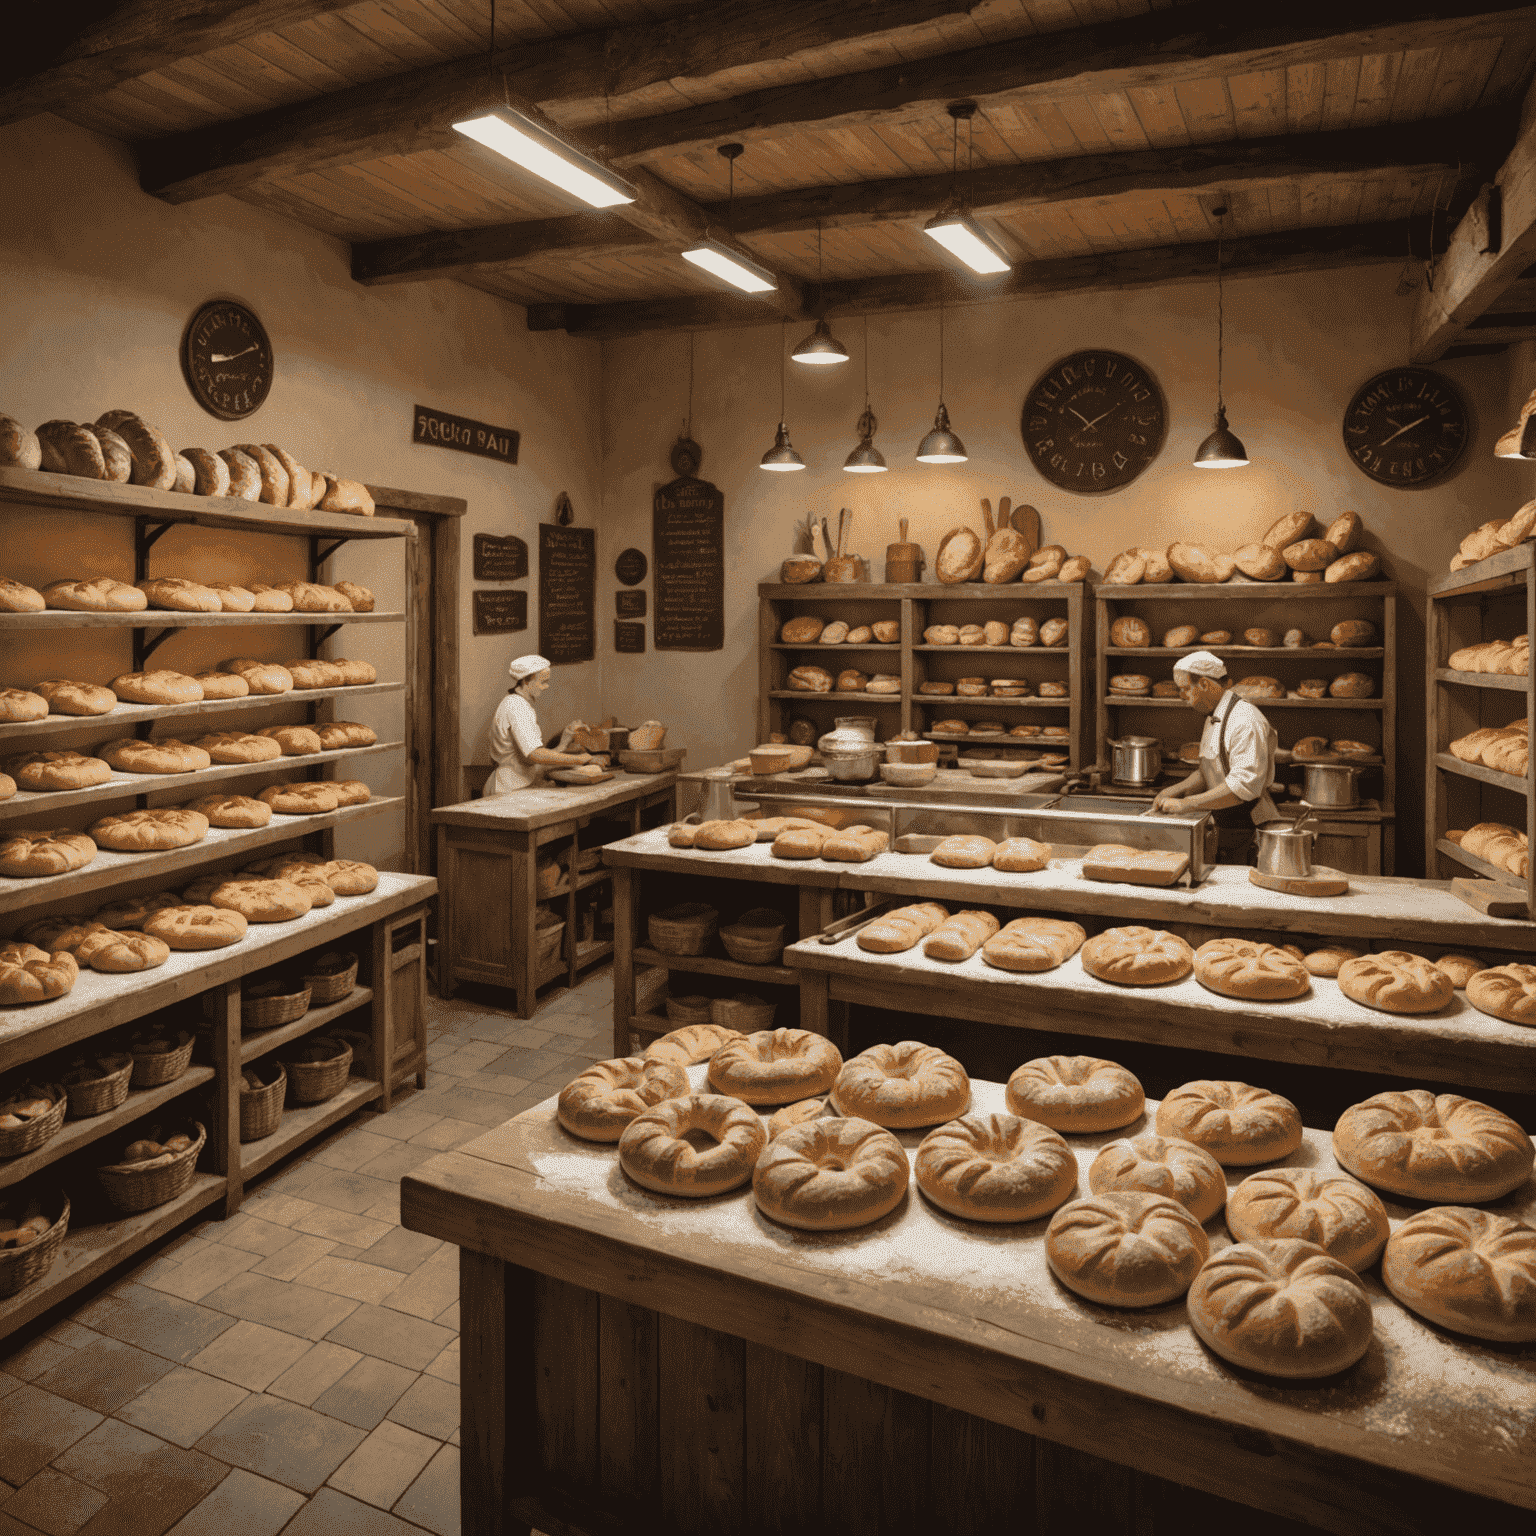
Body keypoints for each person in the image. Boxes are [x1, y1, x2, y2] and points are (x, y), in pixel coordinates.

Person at [1149, 650, 1279, 863]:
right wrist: (1176, 790)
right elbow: (1209, 769)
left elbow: (1243, 787)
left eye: (1185, 689)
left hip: (1248, 828)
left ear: (1205, 685)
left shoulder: (1244, 720)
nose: (1183, 697)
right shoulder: (1214, 717)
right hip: (1224, 823)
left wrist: (1188, 803)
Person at [486, 653, 593, 795]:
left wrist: (563, 743)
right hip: (510, 788)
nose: (546, 686)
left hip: (517, 784)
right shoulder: (517, 706)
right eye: (543, 682)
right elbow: (535, 755)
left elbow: (531, 758)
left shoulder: (516, 702)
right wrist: (578, 760)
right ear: (526, 681)